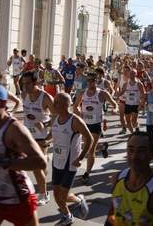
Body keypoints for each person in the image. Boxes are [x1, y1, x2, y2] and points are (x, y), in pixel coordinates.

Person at [0, 84, 47, 226]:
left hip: (16, 198)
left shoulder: (14, 129)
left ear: (3, 104)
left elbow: (41, 162)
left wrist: (5, 162)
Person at [46, 93, 93, 225]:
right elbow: (51, 135)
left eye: (57, 103)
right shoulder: (54, 118)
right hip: (57, 161)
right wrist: (46, 141)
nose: (54, 105)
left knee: (62, 196)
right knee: (56, 195)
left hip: (70, 164)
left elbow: (89, 139)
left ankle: (78, 201)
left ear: (67, 105)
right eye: (54, 102)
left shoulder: (75, 121)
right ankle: (68, 216)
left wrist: (81, 158)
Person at [73, 72, 118, 184]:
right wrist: (78, 112)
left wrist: (115, 110)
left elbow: (114, 104)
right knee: (89, 145)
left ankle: (86, 174)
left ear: (97, 81)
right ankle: (103, 147)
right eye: (87, 80)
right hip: (84, 123)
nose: (89, 82)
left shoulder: (102, 93)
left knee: (91, 148)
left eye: (92, 80)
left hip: (96, 123)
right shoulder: (82, 93)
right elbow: (75, 106)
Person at [21, 71, 56, 206]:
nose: (26, 87)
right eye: (24, 84)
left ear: (36, 83)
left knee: (36, 167)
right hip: (27, 135)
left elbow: (58, 117)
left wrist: (46, 125)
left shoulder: (46, 97)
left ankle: (44, 194)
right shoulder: (24, 95)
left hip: (42, 136)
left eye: (28, 83)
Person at [118, 68, 145, 133]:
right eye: (130, 73)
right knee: (128, 121)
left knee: (133, 121)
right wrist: (118, 94)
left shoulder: (139, 84)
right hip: (127, 104)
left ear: (135, 74)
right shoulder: (126, 84)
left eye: (133, 73)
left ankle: (137, 126)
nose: (131, 75)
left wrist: (141, 105)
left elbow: (143, 94)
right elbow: (122, 92)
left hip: (135, 104)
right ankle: (132, 133)